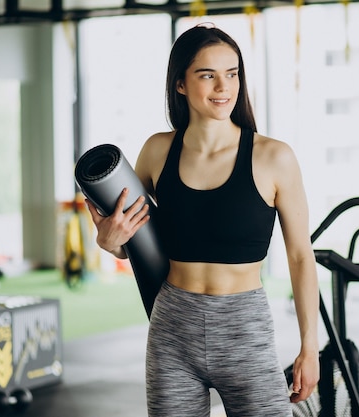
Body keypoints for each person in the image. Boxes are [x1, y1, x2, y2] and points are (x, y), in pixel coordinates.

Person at [85, 23, 320, 417]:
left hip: (244, 329)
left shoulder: (274, 157)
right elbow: (129, 239)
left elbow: (300, 257)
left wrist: (309, 348)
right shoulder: (157, 151)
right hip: (173, 328)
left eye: (232, 73)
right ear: (180, 84)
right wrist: (109, 242)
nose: (223, 86)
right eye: (207, 75)